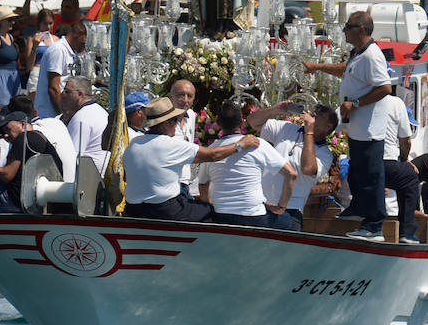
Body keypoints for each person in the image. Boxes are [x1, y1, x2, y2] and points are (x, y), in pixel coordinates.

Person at [302, 10, 393, 241]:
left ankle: (374, 227)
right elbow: (345, 70)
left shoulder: (372, 55)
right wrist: (317, 66)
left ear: (360, 29)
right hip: (357, 128)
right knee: (357, 172)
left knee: (372, 177)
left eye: (348, 27)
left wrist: (356, 103)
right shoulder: (358, 53)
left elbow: (385, 88)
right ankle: (358, 209)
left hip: (370, 130)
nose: (343, 31)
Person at [123, 99, 257, 222]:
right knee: (211, 211)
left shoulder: (134, 143)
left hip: (133, 209)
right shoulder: (171, 145)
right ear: (166, 123)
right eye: (175, 120)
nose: (177, 124)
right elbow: (213, 155)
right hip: (165, 210)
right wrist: (241, 144)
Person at [195, 98, 296, 227]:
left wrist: (212, 207)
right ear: (242, 121)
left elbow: (203, 185)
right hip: (254, 217)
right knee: (290, 221)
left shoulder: (211, 150)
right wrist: (281, 207)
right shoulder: (258, 144)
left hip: (221, 216)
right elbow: (291, 174)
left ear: (218, 123)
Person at [0, 108, 62, 214]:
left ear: (23, 124)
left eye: (8, 129)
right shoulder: (41, 138)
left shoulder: (22, 138)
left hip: (16, 202)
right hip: (41, 204)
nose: (5, 135)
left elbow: (6, 176)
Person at [260, 104, 336, 231]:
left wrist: (309, 132)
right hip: (262, 205)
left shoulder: (325, 154)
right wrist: (276, 109)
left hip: (289, 212)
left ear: (328, 127)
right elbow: (253, 122)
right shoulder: (288, 128)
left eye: (320, 115)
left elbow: (307, 168)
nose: (314, 114)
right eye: (315, 111)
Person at [375, 93, 421, 243]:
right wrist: (404, 160)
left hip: (360, 162)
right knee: (410, 177)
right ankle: (406, 232)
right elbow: (406, 141)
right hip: (385, 162)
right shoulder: (396, 104)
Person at [34, 20, 85, 118]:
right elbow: (53, 88)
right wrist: (63, 115)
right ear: (78, 34)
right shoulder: (58, 50)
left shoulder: (70, 51)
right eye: (84, 42)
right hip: (49, 115)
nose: (84, 46)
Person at [59, 76, 109, 174]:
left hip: (90, 178)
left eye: (67, 92)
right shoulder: (98, 110)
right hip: (99, 175)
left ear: (80, 94)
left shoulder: (81, 118)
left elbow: (70, 158)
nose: (62, 95)